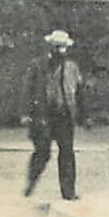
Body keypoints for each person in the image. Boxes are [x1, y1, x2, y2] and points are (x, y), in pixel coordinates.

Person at [23, 29, 85, 200]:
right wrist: (26, 114)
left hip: (65, 116)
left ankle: (68, 192)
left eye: (63, 47)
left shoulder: (72, 68)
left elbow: (79, 92)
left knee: (67, 153)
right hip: (43, 116)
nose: (61, 51)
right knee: (43, 152)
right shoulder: (38, 66)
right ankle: (31, 181)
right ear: (50, 47)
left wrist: (84, 115)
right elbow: (27, 91)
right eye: (57, 47)